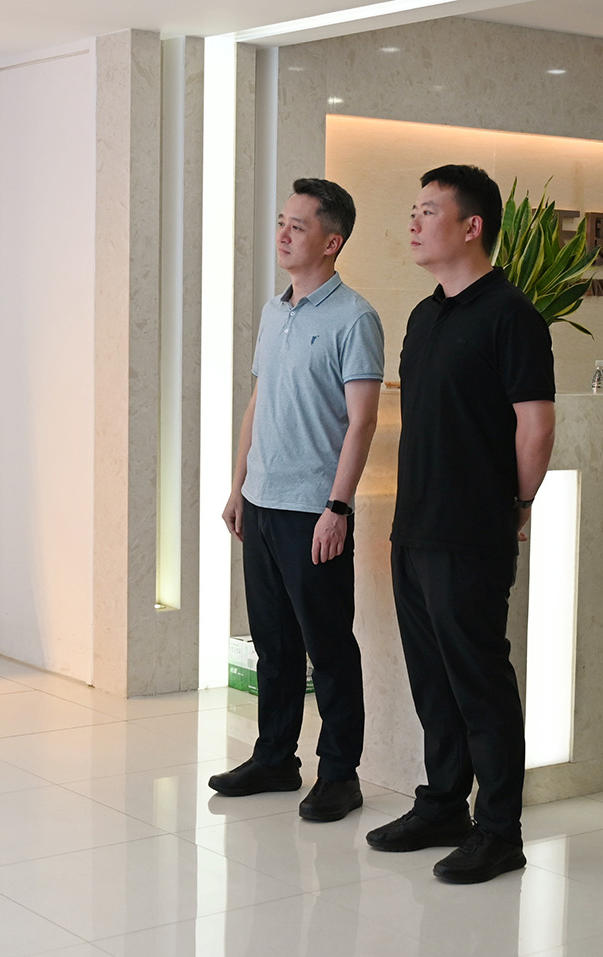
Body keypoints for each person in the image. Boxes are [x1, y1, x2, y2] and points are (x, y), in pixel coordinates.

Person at [369, 164, 554, 884]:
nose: (413, 223)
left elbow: (535, 427)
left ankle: (499, 829)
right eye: (413, 210)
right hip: (414, 526)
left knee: (479, 682)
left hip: (472, 530)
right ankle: (443, 803)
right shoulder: (425, 315)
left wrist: (516, 504)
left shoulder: (511, 315)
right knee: (432, 680)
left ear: (472, 226)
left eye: (428, 211)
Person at [211, 178, 385, 822]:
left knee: (329, 646)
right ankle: (275, 758)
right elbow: (258, 402)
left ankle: (339, 773)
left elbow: (362, 421)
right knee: (274, 642)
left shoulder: (356, 318)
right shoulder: (274, 311)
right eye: (282, 222)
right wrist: (239, 485)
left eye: (298, 226)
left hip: (314, 510)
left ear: (331, 242)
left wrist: (337, 508)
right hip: (260, 502)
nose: (283, 234)